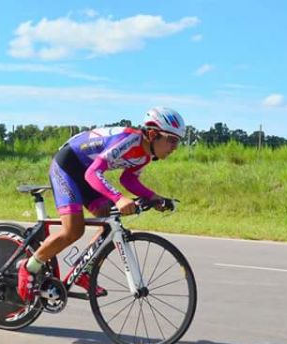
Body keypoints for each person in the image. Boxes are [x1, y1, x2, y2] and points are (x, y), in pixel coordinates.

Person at [15, 107, 185, 302]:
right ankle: (28, 267)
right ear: (153, 134)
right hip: (67, 167)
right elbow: (93, 173)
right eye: (171, 140)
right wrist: (119, 198)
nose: (175, 147)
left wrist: (154, 198)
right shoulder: (127, 141)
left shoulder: (146, 155)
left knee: (107, 217)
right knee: (73, 230)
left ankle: (84, 269)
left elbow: (128, 180)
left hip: (87, 171)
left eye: (177, 142)